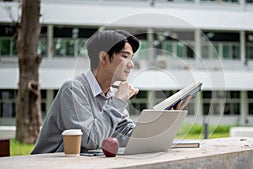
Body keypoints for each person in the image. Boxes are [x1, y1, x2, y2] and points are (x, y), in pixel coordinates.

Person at [31, 30, 190, 154]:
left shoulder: (112, 94)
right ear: (103, 58)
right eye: (125, 56)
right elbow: (90, 140)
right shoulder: (73, 90)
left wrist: (164, 120)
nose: (131, 64)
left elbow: (127, 135)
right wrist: (119, 101)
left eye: (132, 57)